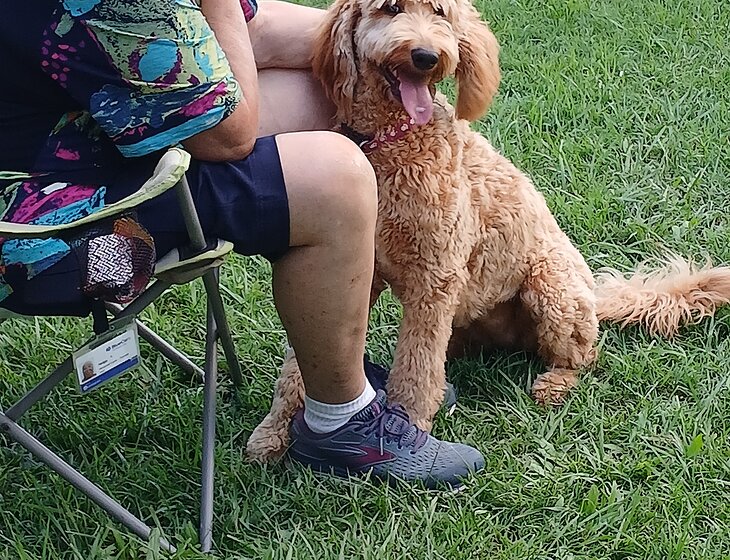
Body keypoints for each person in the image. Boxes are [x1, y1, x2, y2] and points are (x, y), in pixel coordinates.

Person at [0, 0, 484, 489]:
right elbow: (230, 138)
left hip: (68, 149)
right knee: (332, 176)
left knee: (318, 88)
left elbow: (260, 30)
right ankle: (339, 421)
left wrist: (383, 42)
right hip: (51, 240)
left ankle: (342, 361)